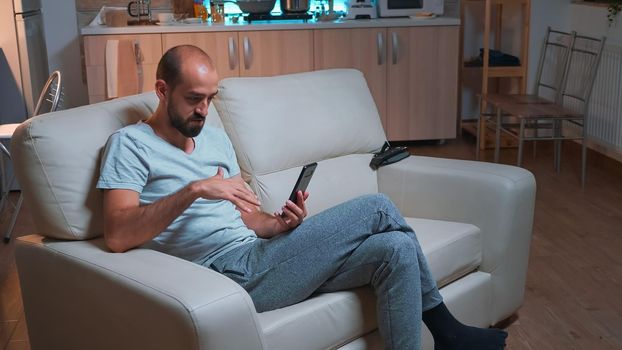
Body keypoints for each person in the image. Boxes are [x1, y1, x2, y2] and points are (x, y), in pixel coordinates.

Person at [97, 45, 508, 350]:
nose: (204, 110)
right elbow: (117, 234)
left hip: (257, 254)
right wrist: (194, 190)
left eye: (210, 98)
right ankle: (447, 332)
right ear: (162, 91)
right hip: (225, 274)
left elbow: (248, 217)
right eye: (193, 99)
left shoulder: (214, 139)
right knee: (378, 208)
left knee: (396, 248)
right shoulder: (130, 145)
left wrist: (277, 224)